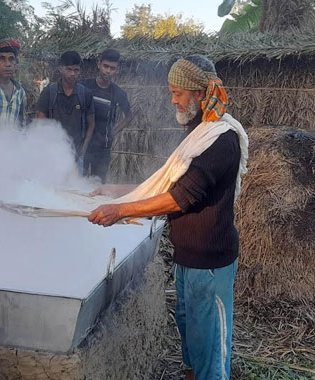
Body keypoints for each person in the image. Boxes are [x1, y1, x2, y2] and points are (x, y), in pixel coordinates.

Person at [87, 55, 249, 380]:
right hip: (188, 259)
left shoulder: (220, 140)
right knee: (191, 335)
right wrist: (116, 190)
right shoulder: (198, 132)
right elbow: (168, 181)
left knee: (211, 349)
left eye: (177, 92)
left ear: (200, 93)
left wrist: (120, 210)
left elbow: (180, 196)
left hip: (210, 263)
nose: (172, 99)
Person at [36, 51, 95, 171]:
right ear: (61, 69)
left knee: (75, 188)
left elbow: (91, 124)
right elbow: (40, 124)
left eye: (76, 70)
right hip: (51, 157)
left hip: (76, 158)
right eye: (69, 69)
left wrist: (83, 149)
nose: (72, 74)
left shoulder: (85, 94)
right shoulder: (49, 93)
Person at [80, 49, 132, 183]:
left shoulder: (118, 93)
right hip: (83, 144)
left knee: (98, 184)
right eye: (106, 66)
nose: (108, 71)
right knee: (78, 182)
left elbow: (128, 116)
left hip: (103, 148)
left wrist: (113, 132)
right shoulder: (85, 86)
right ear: (99, 64)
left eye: (112, 68)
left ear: (117, 70)